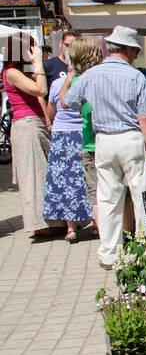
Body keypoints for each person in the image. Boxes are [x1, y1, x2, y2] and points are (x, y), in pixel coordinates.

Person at [64, 26, 146, 269]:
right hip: (130, 138)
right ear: (126, 49)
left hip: (104, 139)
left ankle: (109, 253)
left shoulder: (92, 74)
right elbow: (145, 118)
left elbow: (69, 101)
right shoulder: (135, 76)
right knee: (140, 195)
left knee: (108, 198)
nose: (136, 54)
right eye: (135, 50)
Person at [1, 33, 59, 238]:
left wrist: (47, 120)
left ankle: (52, 219)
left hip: (34, 124)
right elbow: (40, 90)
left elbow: (40, 99)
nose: (34, 52)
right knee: (34, 176)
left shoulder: (19, 71)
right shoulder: (11, 72)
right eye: (31, 48)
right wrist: (38, 65)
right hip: (26, 126)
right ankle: (39, 224)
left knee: (44, 174)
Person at [43, 57, 92, 243]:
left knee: (65, 183)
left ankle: (71, 229)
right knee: (88, 178)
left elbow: (51, 109)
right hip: (84, 134)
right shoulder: (88, 80)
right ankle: (96, 225)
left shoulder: (57, 84)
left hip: (62, 137)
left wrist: (49, 124)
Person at [60, 37, 103, 236]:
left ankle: (100, 230)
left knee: (95, 192)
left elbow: (64, 103)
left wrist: (69, 79)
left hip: (90, 143)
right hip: (108, 139)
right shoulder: (103, 75)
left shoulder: (78, 80)